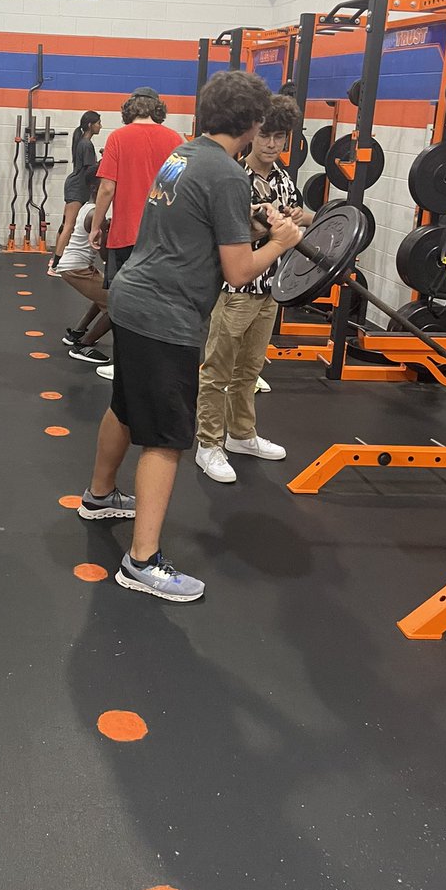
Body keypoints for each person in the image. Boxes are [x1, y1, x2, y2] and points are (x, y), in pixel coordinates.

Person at [78, 71, 303, 603]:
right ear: (252, 123)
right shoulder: (226, 173)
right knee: (167, 439)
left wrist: (247, 220)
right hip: (165, 315)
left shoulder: (184, 154)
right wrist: (283, 239)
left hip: (132, 295)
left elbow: (193, 220)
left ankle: (100, 495)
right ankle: (142, 562)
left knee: (125, 405)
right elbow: (239, 272)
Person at [195, 94, 314, 483]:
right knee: (217, 371)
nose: (272, 144)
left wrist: (301, 217)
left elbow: (307, 221)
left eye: (279, 137)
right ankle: (208, 444)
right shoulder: (233, 177)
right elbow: (223, 235)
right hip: (235, 292)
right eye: (265, 136)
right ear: (252, 135)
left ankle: (242, 435)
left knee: (249, 370)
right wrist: (264, 227)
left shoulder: (283, 179)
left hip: (271, 290)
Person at [88, 87, 183, 379]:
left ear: (130, 109)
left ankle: (125, 365)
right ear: (158, 109)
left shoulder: (118, 137)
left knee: (124, 303)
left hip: (127, 235)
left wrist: (95, 226)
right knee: (158, 302)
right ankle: (152, 365)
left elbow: (107, 187)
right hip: (162, 239)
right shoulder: (175, 140)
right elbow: (174, 191)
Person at [58, 178, 111, 366]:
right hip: (76, 269)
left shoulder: (87, 207)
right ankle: (83, 346)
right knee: (117, 306)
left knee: (105, 291)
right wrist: (106, 230)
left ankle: (77, 333)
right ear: (95, 188)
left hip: (75, 266)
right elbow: (104, 252)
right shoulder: (95, 214)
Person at [48, 110, 102, 275]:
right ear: (90, 125)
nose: (100, 126)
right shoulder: (86, 144)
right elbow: (89, 171)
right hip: (78, 187)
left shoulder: (83, 142)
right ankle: (55, 266)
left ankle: (55, 260)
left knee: (66, 224)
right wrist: (104, 161)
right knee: (69, 226)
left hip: (76, 185)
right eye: (98, 123)